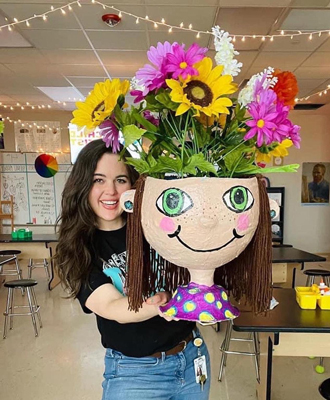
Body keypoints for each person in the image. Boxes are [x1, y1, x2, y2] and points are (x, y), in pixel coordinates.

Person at [54, 139, 210, 400]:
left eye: (121, 180)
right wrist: (161, 306)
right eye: (99, 180)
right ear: (82, 185)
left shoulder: (156, 225)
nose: (111, 191)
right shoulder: (79, 249)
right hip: (134, 374)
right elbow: (113, 307)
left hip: (192, 357)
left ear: (133, 185)